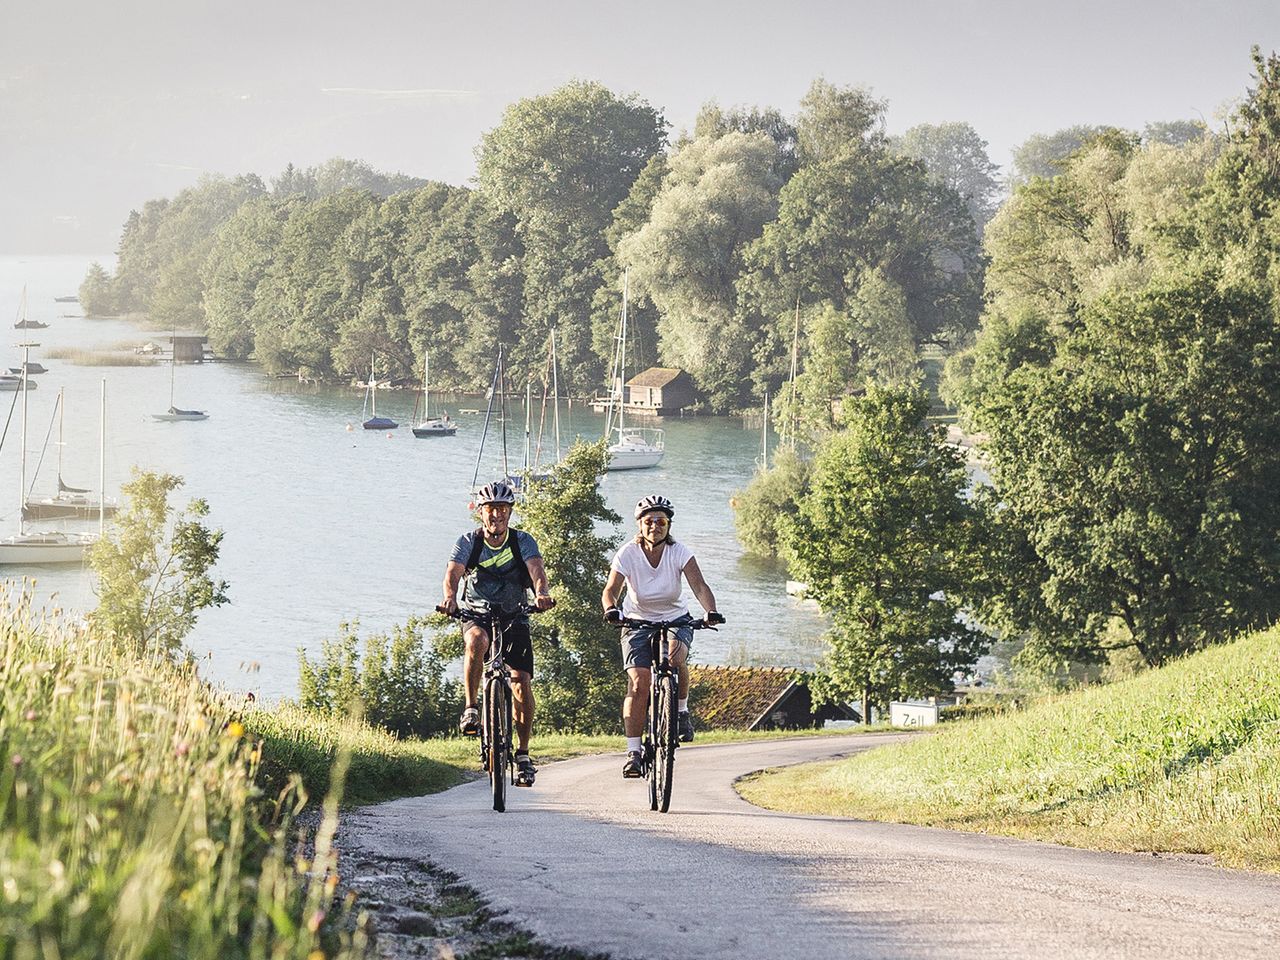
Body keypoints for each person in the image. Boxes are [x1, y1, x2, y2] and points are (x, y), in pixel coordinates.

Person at [601, 494, 724, 779]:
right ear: (640, 525)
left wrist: (711, 611)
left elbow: (699, 585)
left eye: (661, 521)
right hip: (636, 622)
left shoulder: (680, 552)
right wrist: (611, 609)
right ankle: (633, 752)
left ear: (668, 525)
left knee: (675, 655)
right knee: (639, 683)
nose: (655, 526)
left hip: (675, 618)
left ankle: (680, 711)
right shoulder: (627, 553)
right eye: (649, 521)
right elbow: (611, 590)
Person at [442, 480, 554, 787]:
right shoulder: (468, 541)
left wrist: (542, 594)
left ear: (510, 512)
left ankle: (523, 755)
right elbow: (452, 574)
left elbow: (536, 571)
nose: (497, 516)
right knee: (477, 641)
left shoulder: (522, 541)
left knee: (521, 682)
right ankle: (471, 709)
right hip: (476, 613)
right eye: (491, 509)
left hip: (514, 613)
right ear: (481, 512)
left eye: (502, 509)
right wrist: (450, 599)